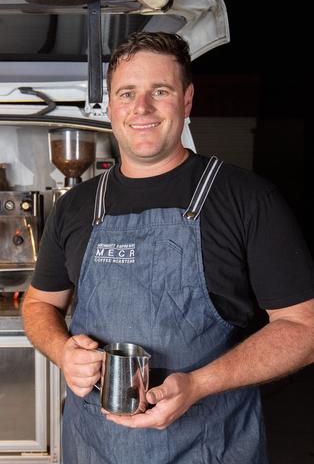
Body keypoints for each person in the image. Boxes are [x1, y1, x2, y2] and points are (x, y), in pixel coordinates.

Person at [22, 32, 314, 463]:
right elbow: (38, 304)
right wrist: (62, 350)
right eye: (127, 93)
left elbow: (304, 329)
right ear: (110, 104)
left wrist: (199, 385)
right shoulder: (77, 206)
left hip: (209, 446)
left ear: (187, 99)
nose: (142, 108)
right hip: (95, 447)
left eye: (160, 91)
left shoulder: (246, 199)